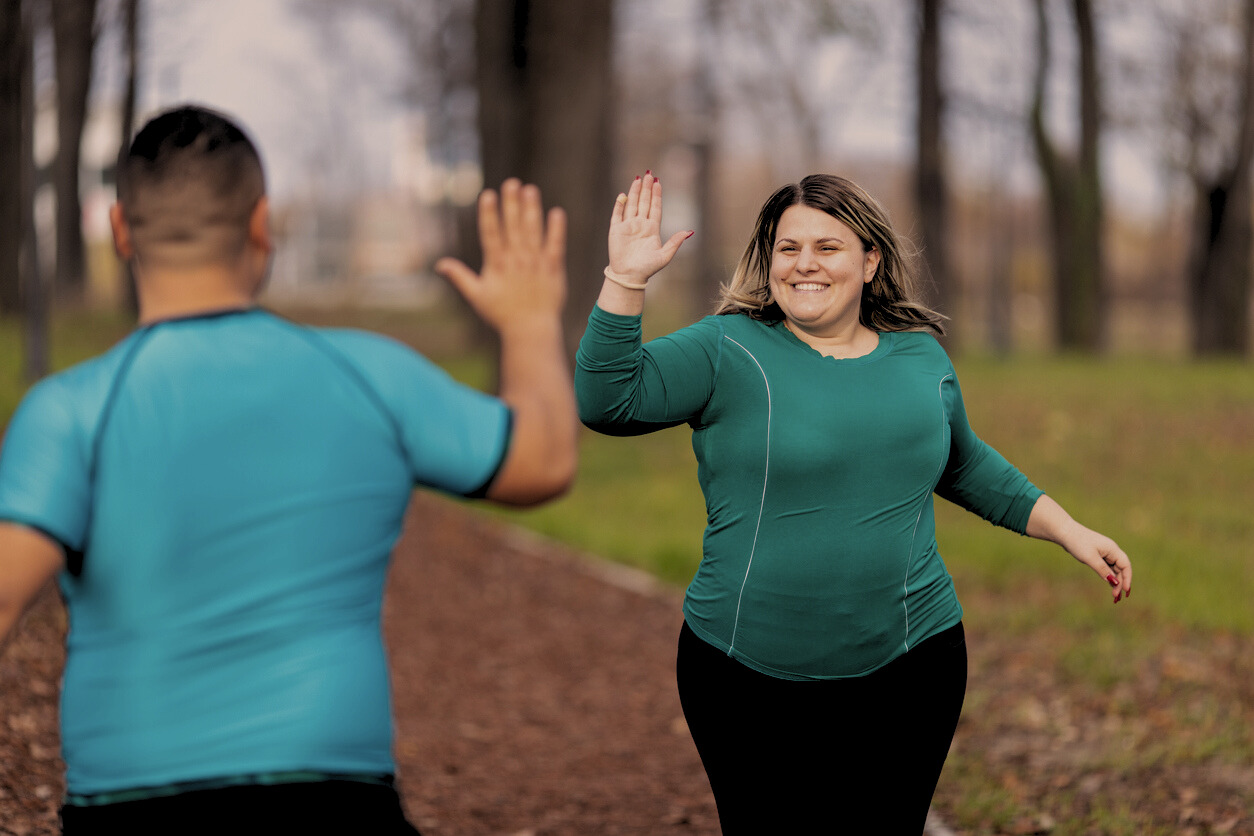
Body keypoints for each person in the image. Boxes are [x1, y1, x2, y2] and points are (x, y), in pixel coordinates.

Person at [0, 105, 576, 834]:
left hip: (130, 807)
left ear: (120, 230)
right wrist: (527, 322)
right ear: (262, 224)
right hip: (335, 801)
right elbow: (545, 460)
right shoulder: (370, 375)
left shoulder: (71, 410)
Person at [575, 172, 1132, 835]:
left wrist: (1068, 530)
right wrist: (625, 279)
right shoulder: (727, 348)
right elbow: (609, 402)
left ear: (870, 261)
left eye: (827, 247)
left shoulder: (920, 358)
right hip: (745, 675)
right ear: (768, 259)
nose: (804, 263)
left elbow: (961, 461)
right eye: (788, 248)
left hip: (912, 665)